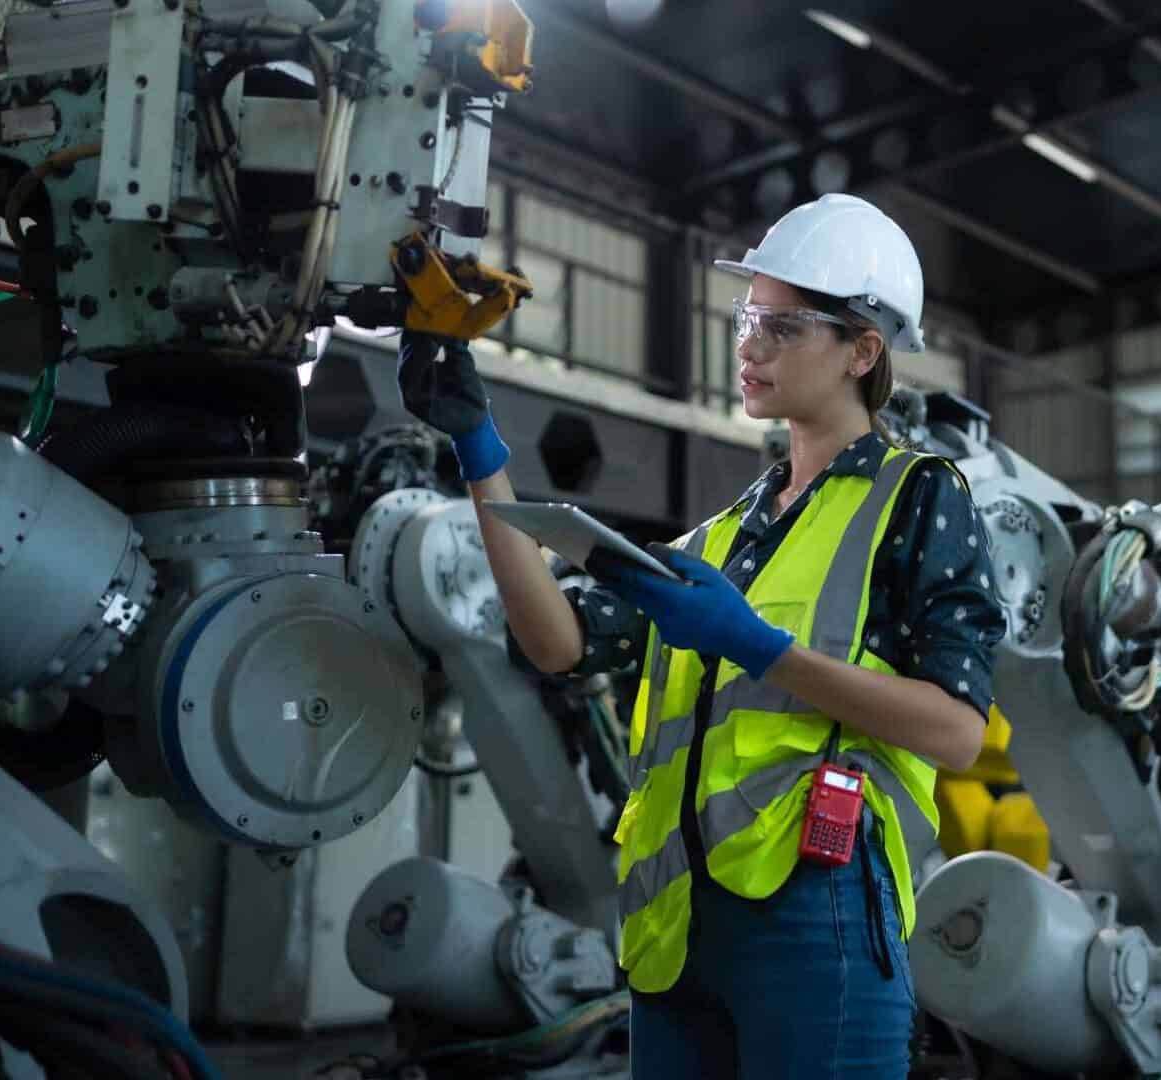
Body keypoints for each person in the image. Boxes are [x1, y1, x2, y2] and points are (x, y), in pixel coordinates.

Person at [394, 192, 1008, 1079]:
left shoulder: (918, 497)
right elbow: (555, 640)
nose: (749, 343)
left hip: (815, 912)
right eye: (746, 317)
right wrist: (480, 449)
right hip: (674, 928)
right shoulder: (719, 538)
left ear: (862, 351)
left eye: (784, 326)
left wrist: (759, 646)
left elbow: (956, 731)